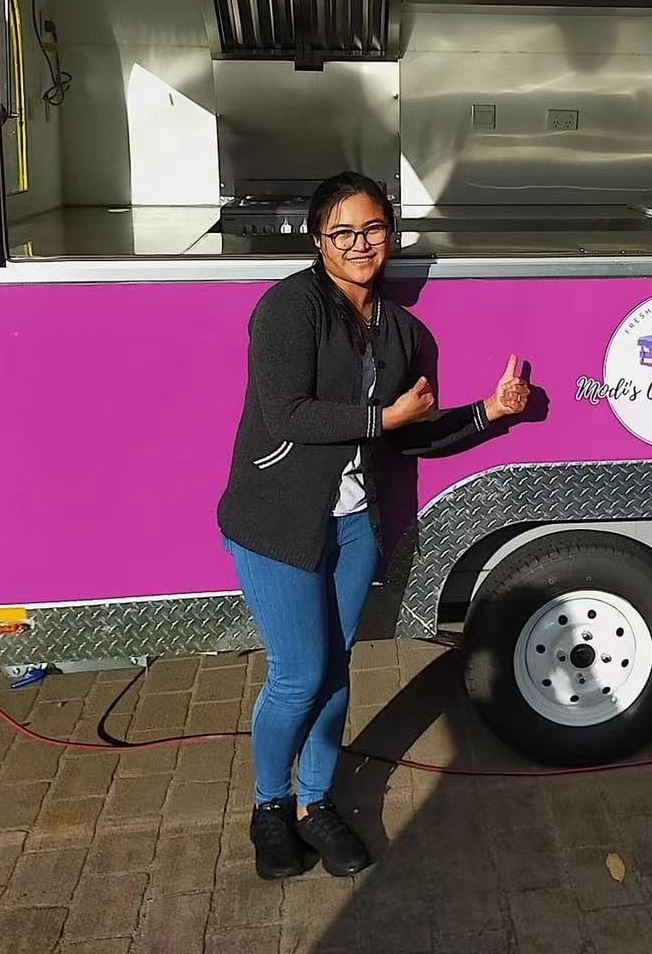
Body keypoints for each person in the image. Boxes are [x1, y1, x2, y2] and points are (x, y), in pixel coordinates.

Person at [217, 171, 530, 880]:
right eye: (344, 232)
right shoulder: (287, 310)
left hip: (352, 525)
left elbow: (408, 437)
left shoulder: (398, 331)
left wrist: (490, 412)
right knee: (297, 677)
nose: (362, 245)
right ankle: (270, 807)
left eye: (375, 229)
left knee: (334, 672)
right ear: (319, 240)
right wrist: (380, 418)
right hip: (275, 522)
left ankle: (315, 803)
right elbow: (286, 414)